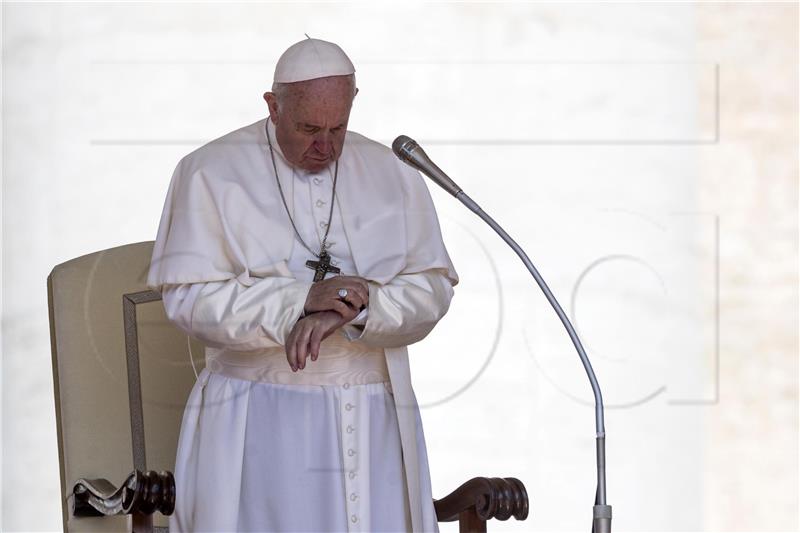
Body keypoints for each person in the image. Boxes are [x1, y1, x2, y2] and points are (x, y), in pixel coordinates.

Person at [147, 37, 458, 532]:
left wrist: (356, 309)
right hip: (254, 415)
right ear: (273, 106)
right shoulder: (207, 171)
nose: (326, 146)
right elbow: (188, 299)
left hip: (373, 412)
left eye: (338, 128)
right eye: (309, 128)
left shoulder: (392, 171)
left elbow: (433, 287)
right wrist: (298, 299)